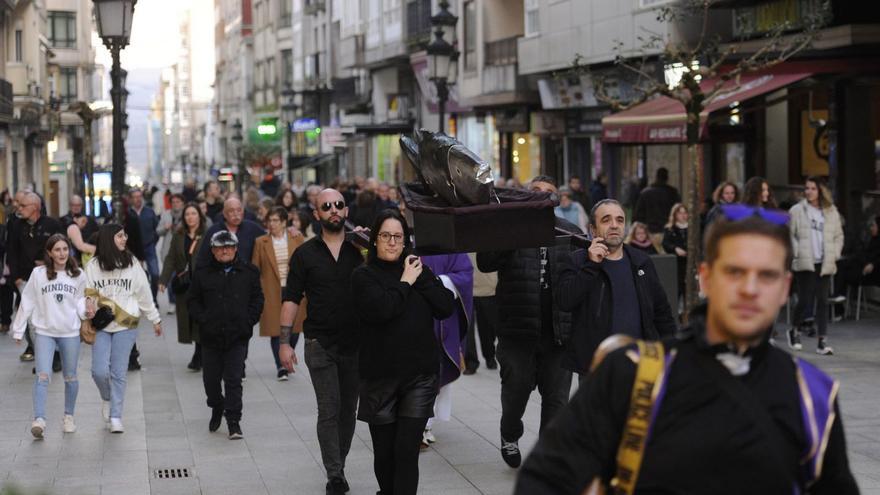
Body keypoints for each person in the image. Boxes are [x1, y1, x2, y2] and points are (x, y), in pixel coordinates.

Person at [515, 207, 859, 495]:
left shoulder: (812, 396)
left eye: (766, 275)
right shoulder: (631, 375)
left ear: (785, 288)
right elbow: (543, 479)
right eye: (735, 271)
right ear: (705, 278)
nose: (750, 289)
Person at [476, 175, 580, 469]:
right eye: (535, 192)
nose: (542, 197)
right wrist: (507, 234)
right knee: (516, 393)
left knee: (557, 401)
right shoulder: (512, 230)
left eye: (548, 193)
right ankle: (509, 434)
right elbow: (485, 262)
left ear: (557, 200)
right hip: (517, 331)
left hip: (558, 333)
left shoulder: (570, 233)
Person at [351, 210, 454, 495]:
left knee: (407, 451)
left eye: (398, 236)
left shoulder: (417, 270)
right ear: (374, 240)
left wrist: (418, 278)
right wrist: (407, 280)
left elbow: (445, 306)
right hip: (379, 377)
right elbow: (383, 309)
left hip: (419, 375)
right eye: (386, 236)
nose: (392, 242)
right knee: (385, 454)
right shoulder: (363, 276)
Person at [279, 188, 364, 495]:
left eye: (339, 205)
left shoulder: (360, 250)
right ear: (316, 215)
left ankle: (337, 462)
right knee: (329, 408)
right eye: (326, 206)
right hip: (319, 343)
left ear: (346, 211)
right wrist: (285, 342)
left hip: (355, 343)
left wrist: (370, 243)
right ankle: (335, 474)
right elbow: (291, 298)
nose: (333, 210)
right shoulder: (305, 254)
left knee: (347, 411)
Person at [557, 198, 677, 379]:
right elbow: (565, 301)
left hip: (641, 366)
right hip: (596, 368)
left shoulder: (641, 261)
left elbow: (662, 312)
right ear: (593, 229)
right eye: (606, 220)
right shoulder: (577, 261)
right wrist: (591, 266)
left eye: (619, 220)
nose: (614, 225)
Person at [12, 234, 95, 438]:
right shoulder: (38, 274)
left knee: (70, 376)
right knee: (42, 375)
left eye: (65, 249)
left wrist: (88, 310)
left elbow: (80, 304)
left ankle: (69, 417)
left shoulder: (78, 275)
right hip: (44, 332)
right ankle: (39, 419)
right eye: (57, 250)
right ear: (49, 252)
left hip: (70, 333)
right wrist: (18, 328)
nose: (62, 254)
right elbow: (28, 300)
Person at [85, 223, 162, 433]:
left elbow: (144, 292)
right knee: (99, 371)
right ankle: (107, 397)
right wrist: (89, 304)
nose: (124, 239)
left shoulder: (132, 263)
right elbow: (88, 292)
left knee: (119, 372)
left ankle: (116, 416)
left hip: (126, 324)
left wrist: (154, 318)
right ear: (109, 239)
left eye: (125, 235)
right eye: (120, 236)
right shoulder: (93, 265)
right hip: (102, 324)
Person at [188, 230, 264, 439]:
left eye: (229, 247)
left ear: (236, 248)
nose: (225, 251)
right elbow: (193, 300)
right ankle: (216, 406)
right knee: (211, 382)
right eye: (220, 248)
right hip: (210, 337)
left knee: (233, 380)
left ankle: (234, 421)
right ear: (213, 250)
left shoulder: (249, 272)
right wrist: (204, 320)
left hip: (237, 337)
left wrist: (247, 323)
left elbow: (257, 300)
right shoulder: (202, 272)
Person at [419, 252, 473, 446]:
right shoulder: (400, 237)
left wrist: (439, 281)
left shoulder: (447, 242)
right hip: (410, 317)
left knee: (437, 372)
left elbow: (465, 272)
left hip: (440, 318)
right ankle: (418, 424)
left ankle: (426, 424)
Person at [788, 176, 844, 355]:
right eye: (807, 188)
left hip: (825, 262)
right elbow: (789, 235)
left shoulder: (831, 211)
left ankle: (822, 341)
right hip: (806, 261)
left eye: (813, 188)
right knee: (805, 300)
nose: (809, 191)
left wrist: (835, 254)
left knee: (822, 301)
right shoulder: (797, 210)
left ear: (821, 191)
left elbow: (838, 236)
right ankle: (794, 330)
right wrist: (797, 252)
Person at [8, 192, 64, 363]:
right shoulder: (17, 225)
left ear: (34, 208)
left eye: (23, 205)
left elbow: (62, 248)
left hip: (48, 278)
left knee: (49, 314)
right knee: (29, 317)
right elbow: (11, 251)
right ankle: (39, 352)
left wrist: (49, 264)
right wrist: (16, 277)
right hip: (24, 279)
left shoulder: (52, 224)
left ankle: (54, 353)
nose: (19, 208)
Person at [252, 206, 306, 381]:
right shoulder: (261, 242)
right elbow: (255, 268)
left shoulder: (296, 238)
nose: (272, 224)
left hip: (294, 289)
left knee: (296, 329)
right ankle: (281, 366)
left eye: (276, 220)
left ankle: (287, 352)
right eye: (270, 220)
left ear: (284, 222)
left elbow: (306, 263)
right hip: (271, 290)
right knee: (277, 329)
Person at [158, 203, 208, 371]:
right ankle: (199, 351)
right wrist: (163, 280)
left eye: (194, 214)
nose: (190, 217)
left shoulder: (207, 234)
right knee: (189, 318)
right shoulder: (178, 235)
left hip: (203, 285)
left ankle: (199, 354)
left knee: (202, 319)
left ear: (199, 216)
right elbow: (171, 258)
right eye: (187, 214)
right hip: (185, 284)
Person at [196, 198, 266, 270]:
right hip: (220, 275)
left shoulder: (252, 228)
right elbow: (202, 259)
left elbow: (268, 242)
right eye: (231, 211)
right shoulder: (214, 230)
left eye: (239, 210)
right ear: (224, 214)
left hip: (247, 276)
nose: (236, 214)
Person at [463, 252, 498, 374]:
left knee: (488, 327)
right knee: (468, 328)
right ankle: (471, 362)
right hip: (467, 288)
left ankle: (490, 356)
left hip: (488, 288)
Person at [129, 188, 161, 301]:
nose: (138, 199)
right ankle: (140, 300)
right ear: (131, 199)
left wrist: (152, 241)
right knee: (137, 277)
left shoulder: (149, 211)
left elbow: (157, 229)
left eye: (139, 196)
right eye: (135, 197)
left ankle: (153, 299)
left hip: (149, 247)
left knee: (155, 274)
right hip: (134, 250)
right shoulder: (128, 213)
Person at [634, 167, 681, 237]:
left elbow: (638, 215)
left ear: (656, 177)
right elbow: (678, 211)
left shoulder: (646, 193)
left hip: (650, 231)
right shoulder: (672, 193)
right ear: (667, 178)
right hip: (668, 231)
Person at [662, 203, 690, 302]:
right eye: (680, 213)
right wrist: (675, 249)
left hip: (690, 263)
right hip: (676, 264)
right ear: (675, 215)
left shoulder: (692, 228)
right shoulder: (670, 229)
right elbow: (665, 244)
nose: (683, 215)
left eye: (685, 213)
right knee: (677, 289)